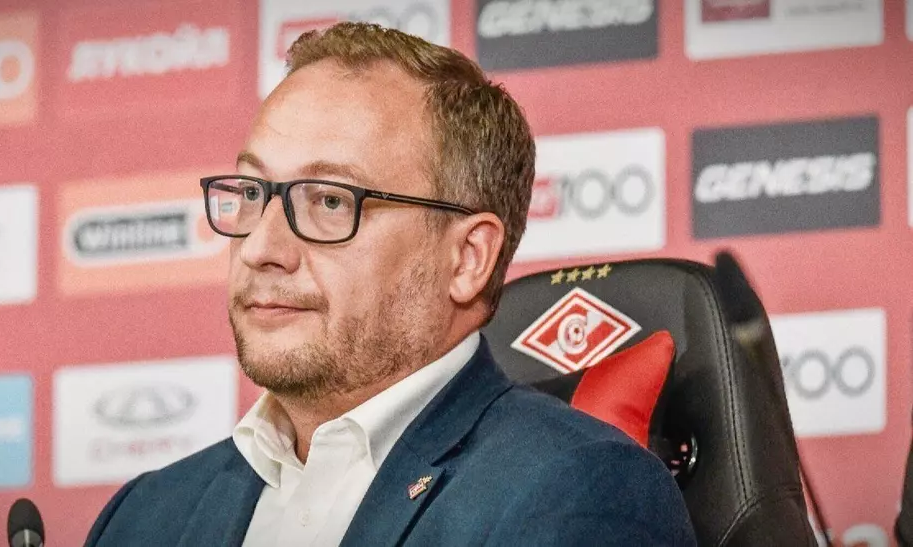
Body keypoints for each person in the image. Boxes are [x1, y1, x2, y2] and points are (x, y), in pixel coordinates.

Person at [83, 22, 696, 546]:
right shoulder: (143, 516)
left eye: (329, 201)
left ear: (467, 259)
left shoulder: (580, 492)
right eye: (252, 193)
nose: (262, 248)